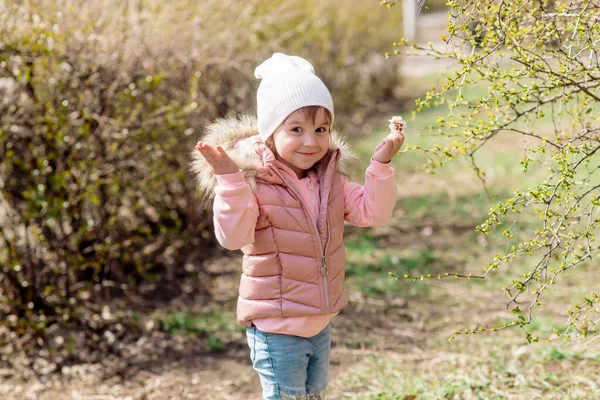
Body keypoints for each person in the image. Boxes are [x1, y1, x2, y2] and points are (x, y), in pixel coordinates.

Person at [191, 53, 405, 400]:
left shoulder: (330, 180)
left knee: (314, 394)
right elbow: (233, 238)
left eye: (321, 129)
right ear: (270, 132)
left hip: (319, 321)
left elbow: (373, 213)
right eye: (296, 129)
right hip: (277, 326)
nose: (311, 141)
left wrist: (381, 164)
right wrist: (230, 181)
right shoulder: (255, 182)